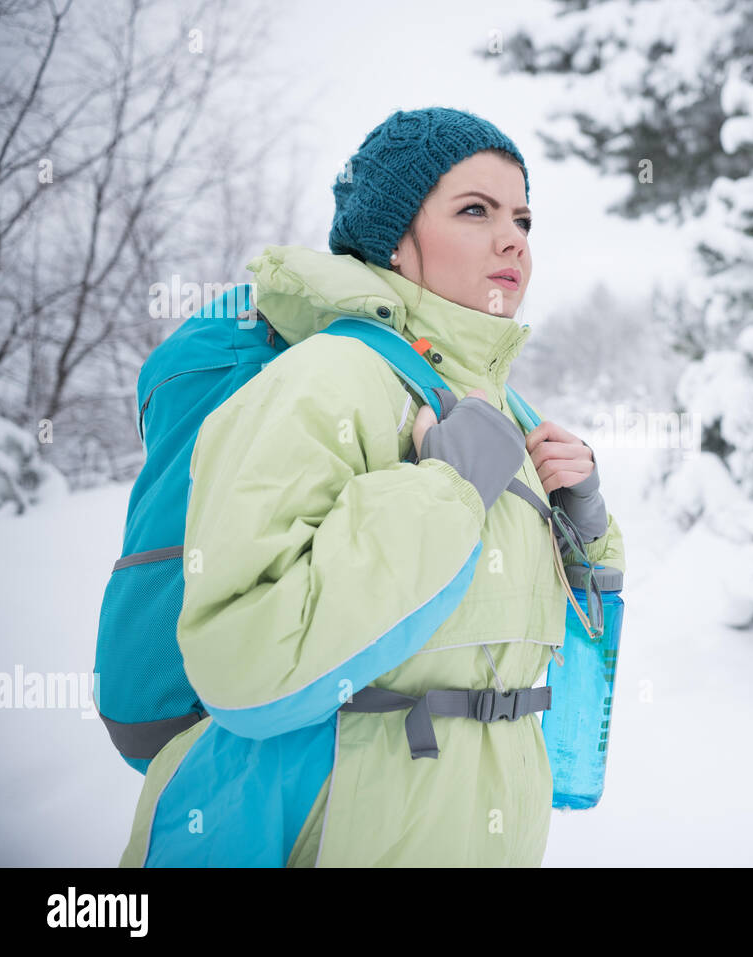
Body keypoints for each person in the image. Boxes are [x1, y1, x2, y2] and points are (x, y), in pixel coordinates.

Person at [118, 107, 625, 867]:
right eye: (474, 210)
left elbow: (508, 650)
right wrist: (445, 489)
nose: (513, 237)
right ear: (393, 234)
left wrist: (585, 530)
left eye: (522, 216)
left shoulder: (505, 410)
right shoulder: (327, 379)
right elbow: (242, 654)